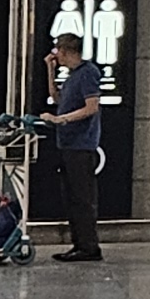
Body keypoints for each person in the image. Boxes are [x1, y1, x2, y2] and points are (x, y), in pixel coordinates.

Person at [40, 32, 106, 261]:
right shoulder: (72, 76)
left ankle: (89, 246)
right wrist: (49, 71)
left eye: (57, 52)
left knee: (82, 197)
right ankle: (79, 243)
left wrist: (62, 119)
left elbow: (92, 106)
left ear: (65, 51)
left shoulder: (88, 73)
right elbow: (57, 98)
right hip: (67, 143)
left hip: (82, 145)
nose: (56, 56)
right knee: (71, 197)